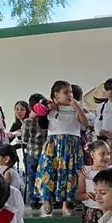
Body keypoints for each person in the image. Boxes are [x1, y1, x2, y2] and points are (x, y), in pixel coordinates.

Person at [35, 80, 89, 216]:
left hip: (72, 144)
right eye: (65, 92)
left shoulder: (76, 107)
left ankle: (67, 203)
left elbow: (85, 123)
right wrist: (46, 107)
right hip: (54, 143)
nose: (69, 95)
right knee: (49, 171)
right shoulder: (50, 107)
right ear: (56, 95)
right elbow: (34, 114)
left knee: (69, 173)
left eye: (70, 92)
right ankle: (46, 199)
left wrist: (77, 107)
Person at [22, 94, 49, 209]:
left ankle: (33, 200)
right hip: (46, 154)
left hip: (32, 154)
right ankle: (47, 198)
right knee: (46, 177)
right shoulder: (48, 119)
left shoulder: (28, 121)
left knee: (32, 177)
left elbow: (24, 139)